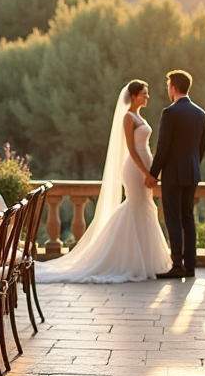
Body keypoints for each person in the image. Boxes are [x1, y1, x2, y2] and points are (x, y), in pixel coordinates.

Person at [34, 80, 170, 283]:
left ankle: (144, 260)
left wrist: (152, 171)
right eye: (144, 93)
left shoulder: (139, 117)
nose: (147, 96)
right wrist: (145, 173)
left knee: (144, 207)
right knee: (135, 206)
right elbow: (132, 150)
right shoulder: (128, 117)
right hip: (135, 170)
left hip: (144, 169)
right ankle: (120, 258)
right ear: (134, 96)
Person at [145, 70, 205, 278]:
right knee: (188, 218)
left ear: (173, 88)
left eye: (168, 85)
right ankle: (190, 265)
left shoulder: (170, 113)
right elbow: (202, 147)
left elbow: (163, 147)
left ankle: (177, 264)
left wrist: (153, 174)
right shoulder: (200, 113)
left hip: (173, 174)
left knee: (173, 218)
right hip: (192, 172)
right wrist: (193, 166)